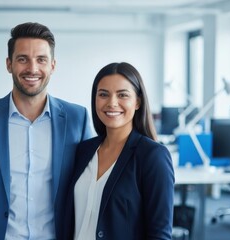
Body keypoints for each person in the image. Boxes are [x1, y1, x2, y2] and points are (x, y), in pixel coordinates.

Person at [0, 22, 93, 240]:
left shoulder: (76, 118)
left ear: (52, 65)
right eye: (22, 59)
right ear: (9, 64)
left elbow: (90, 184)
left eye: (41, 60)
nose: (32, 69)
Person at [62, 62, 175, 239]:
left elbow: (159, 233)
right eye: (103, 94)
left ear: (137, 101)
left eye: (122, 95)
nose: (112, 103)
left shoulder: (152, 155)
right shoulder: (84, 150)